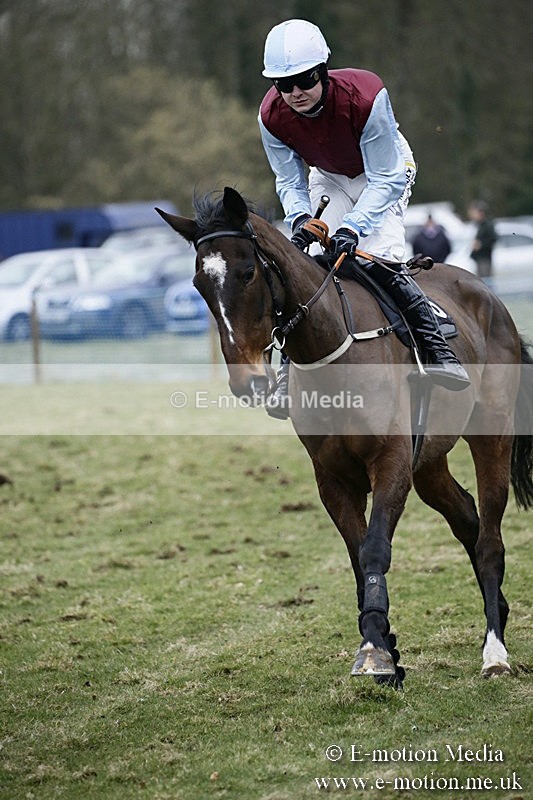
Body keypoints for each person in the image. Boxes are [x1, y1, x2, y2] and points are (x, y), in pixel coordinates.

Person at [258, 19, 470, 418]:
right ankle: (286, 374)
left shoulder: (366, 95)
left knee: (378, 257)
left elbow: (386, 178)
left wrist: (353, 228)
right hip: (330, 177)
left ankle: (436, 349)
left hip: (384, 172)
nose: (295, 93)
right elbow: (288, 179)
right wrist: (301, 218)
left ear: (322, 71)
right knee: (304, 266)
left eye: (304, 80)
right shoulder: (270, 116)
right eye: (284, 85)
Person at [468, 201, 498, 280]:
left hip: (484, 259)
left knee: (485, 281)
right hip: (479, 259)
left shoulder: (487, 225)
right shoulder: (478, 225)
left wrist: (481, 244)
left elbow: (494, 239)